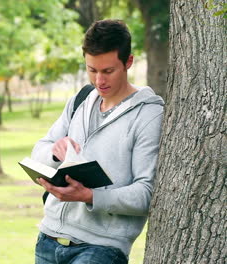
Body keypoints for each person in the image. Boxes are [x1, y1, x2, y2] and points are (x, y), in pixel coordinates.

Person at [32, 19, 164, 264]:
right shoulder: (81, 99)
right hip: (48, 239)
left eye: (108, 71)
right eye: (92, 70)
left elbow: (147, 193)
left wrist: (90, 196)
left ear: (128, 62)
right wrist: (54, 152)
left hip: (101, 249)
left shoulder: (149, 114)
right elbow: (40, 149)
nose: (99, 81)